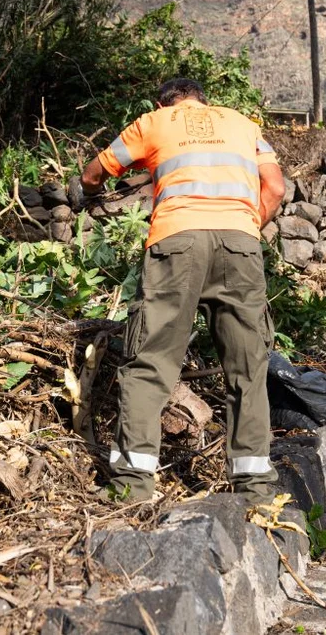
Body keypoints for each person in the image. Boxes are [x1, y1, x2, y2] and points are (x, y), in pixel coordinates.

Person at [81, 78, 287, 503]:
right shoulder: (243, 125)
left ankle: (133, 485)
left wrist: (86, 192)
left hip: (177, 242)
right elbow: (276, 188)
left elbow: (95, 172)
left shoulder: (154, 122)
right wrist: (250, 227)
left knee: (150, 361)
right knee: (247, 366)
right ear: (204, 101)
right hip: (241, 244)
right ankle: (255, 489)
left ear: (163, 102)